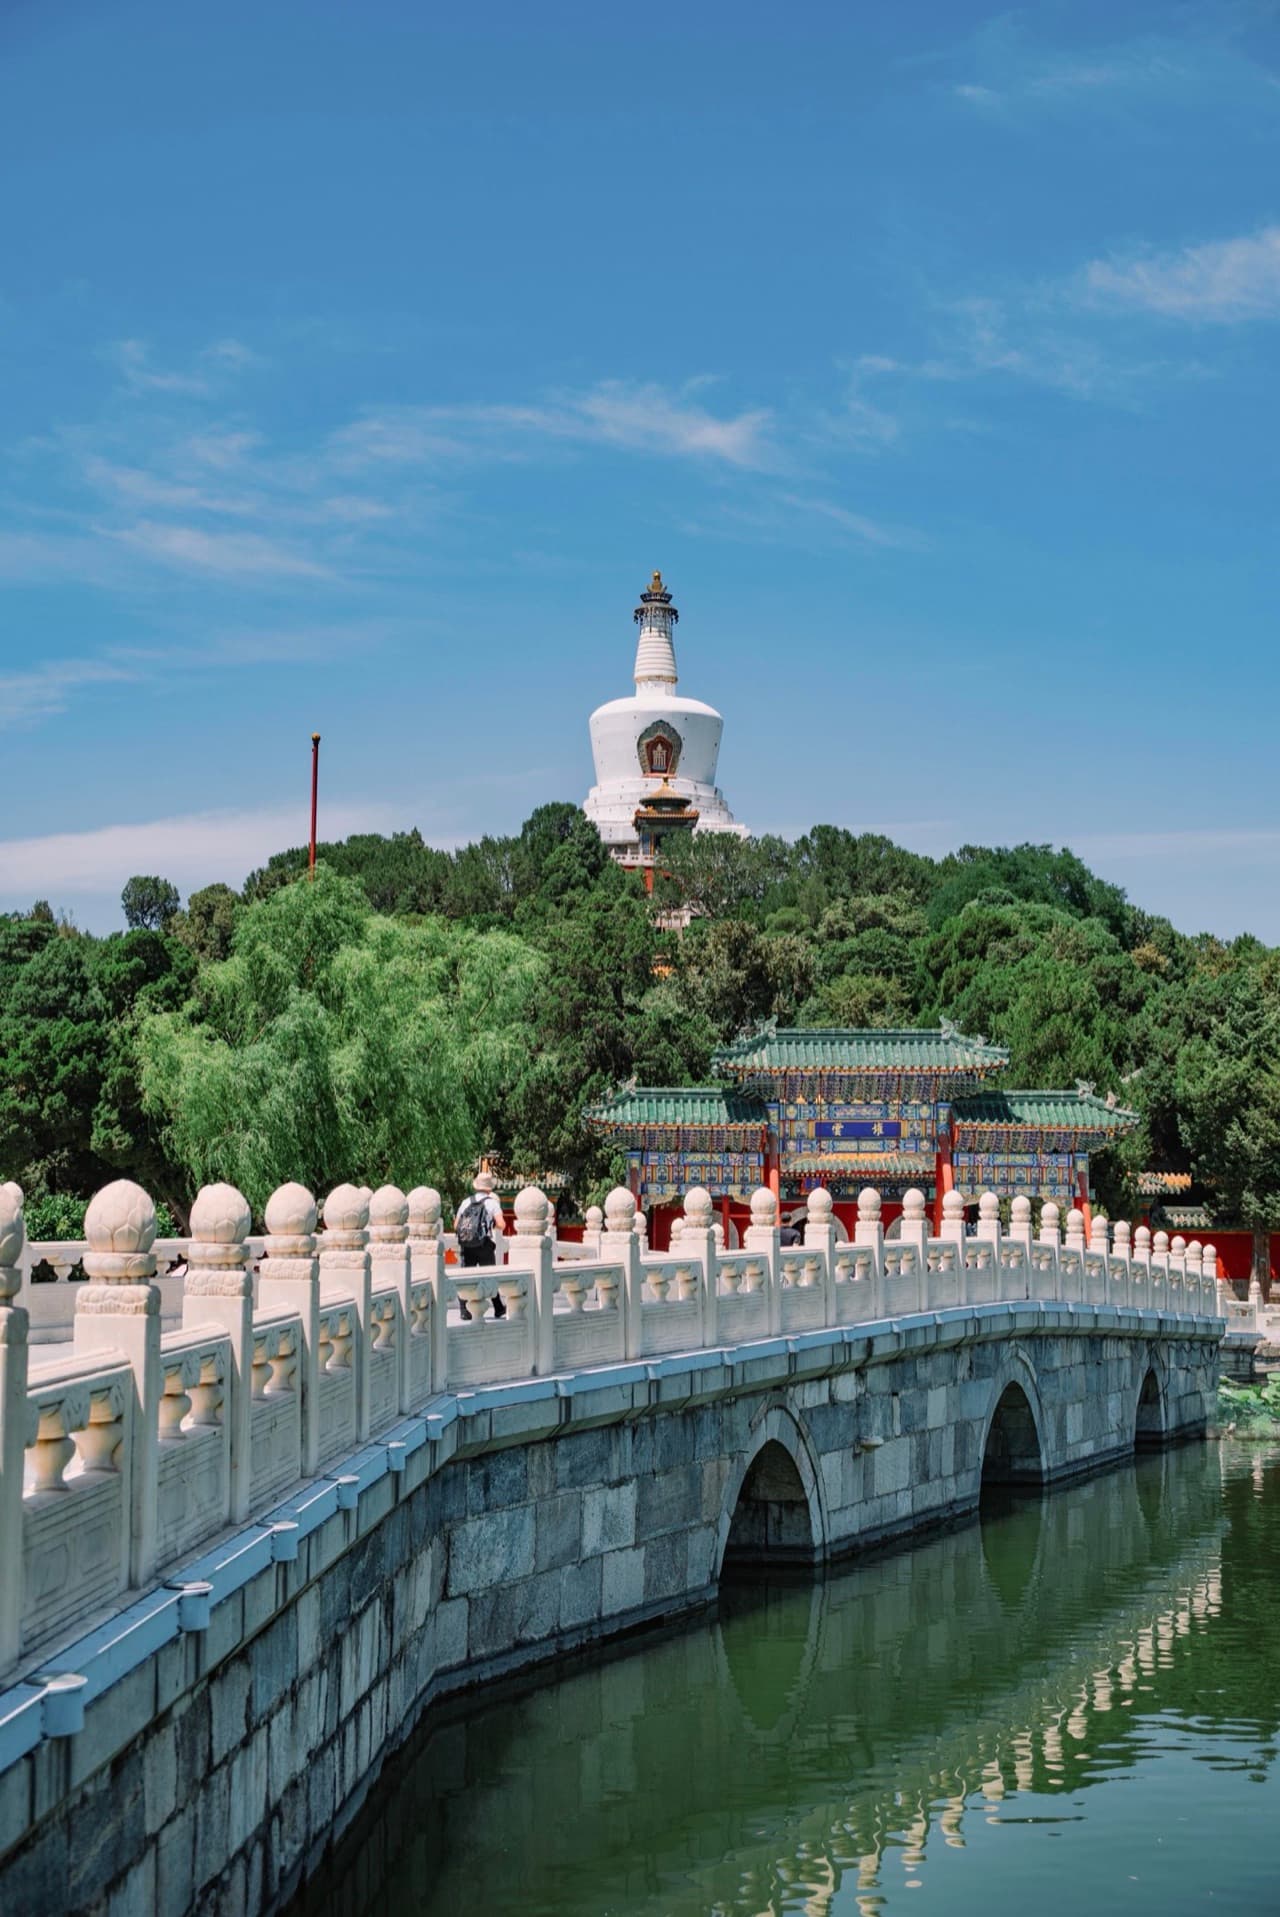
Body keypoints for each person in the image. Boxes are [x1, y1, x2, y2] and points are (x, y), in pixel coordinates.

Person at [454, 1171, 507, 1316]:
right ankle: (498, 1308)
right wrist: (490, 1224)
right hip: (484, 1245)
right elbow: (502, 1225)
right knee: (490, 1275)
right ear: (489, 1188)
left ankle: (464, 1310)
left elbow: (456, 1225)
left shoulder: (466, 1202)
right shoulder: (492, 1203)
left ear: (476, 1186)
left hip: (467, 1245)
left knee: (465, 1277)